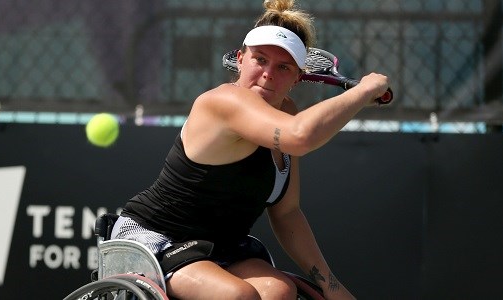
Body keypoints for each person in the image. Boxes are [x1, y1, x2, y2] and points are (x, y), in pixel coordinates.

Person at [111, 0, 389, 299]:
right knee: (239, 296)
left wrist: (331, 286)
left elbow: (288, 214)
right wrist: (363, 91)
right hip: (155, 240)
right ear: (240, 59)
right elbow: (301, 136)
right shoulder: (222, 102)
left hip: (221, 247)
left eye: (283, 67)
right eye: (260, 59)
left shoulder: (288, 113)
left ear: (298, 77)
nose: (269, 73)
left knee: (280, 292)